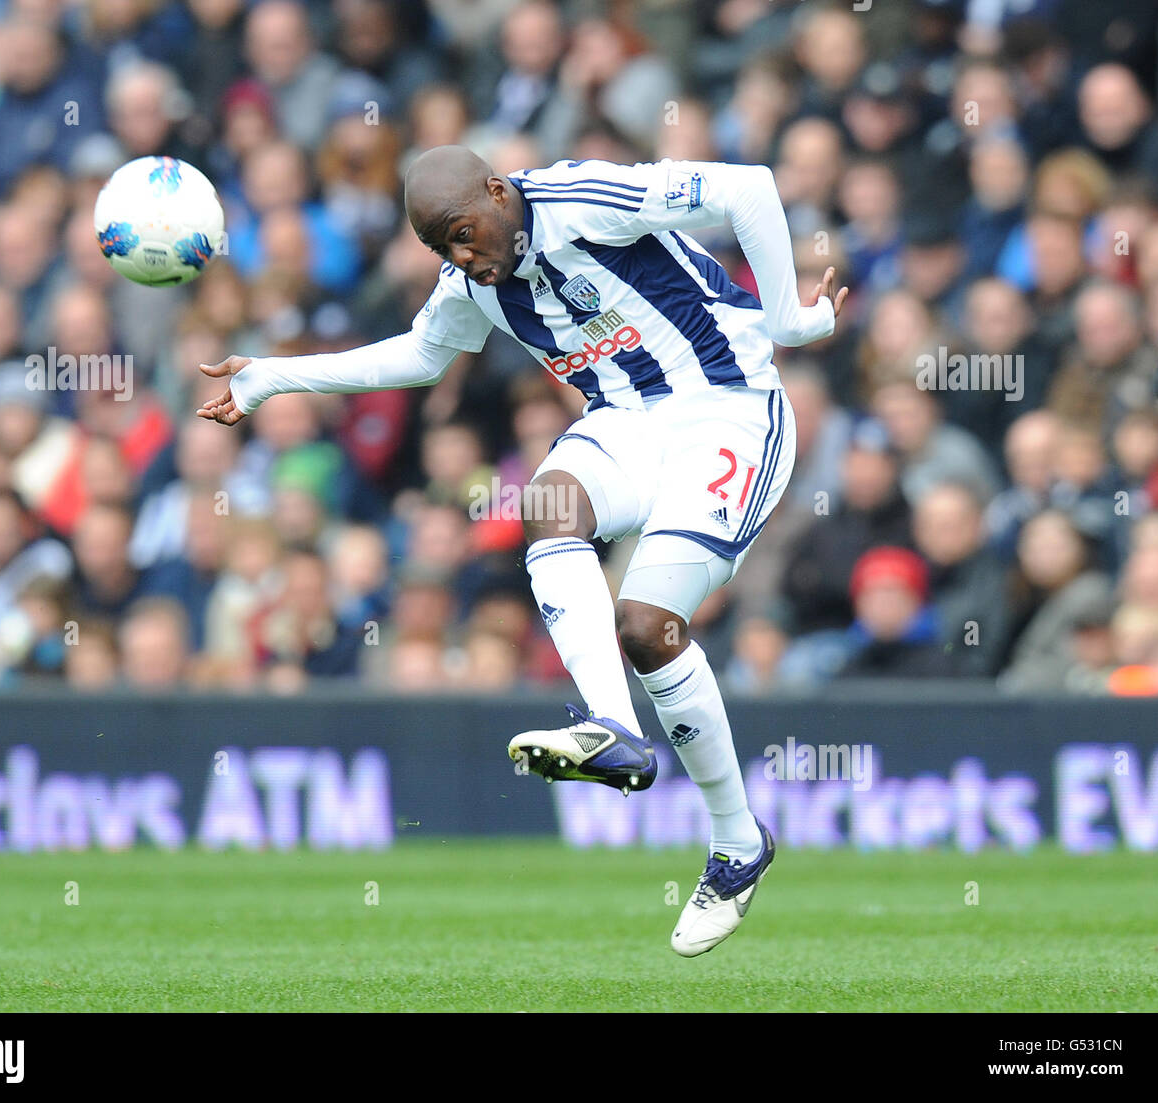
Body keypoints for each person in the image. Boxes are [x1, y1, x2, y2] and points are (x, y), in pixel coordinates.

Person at [196, 145, 847, 957]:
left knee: (646, 625)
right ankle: (614, 725)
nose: (463, 258)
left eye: (465, 234)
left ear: (498, 192)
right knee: (546, 508)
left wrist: (786, 318)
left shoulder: (582, 197)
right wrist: (270, 379)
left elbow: (746, 186)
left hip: (730, 409)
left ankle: (737, 842)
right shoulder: (475, 281)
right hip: (628, 421)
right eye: (443, 250)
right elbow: (419, 354)